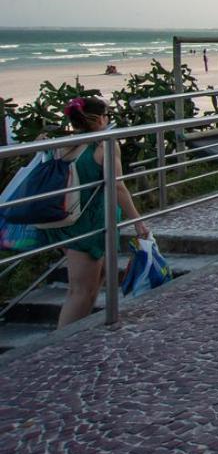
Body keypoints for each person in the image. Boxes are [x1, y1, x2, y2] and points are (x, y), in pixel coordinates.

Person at [49, 97, 150, 327]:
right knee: (80, 291)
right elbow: (118, 186)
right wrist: (138, 221)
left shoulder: (69, 143)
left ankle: (79, 334)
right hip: (91, 221)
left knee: (100, 275)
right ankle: (62, 344)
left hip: (70, 217)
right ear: (101, 118)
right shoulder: (105, 144)